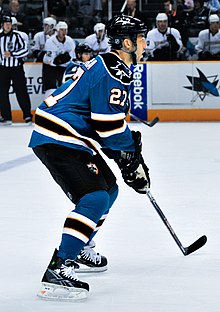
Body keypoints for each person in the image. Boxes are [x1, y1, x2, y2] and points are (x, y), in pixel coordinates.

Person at [28, 14, 150, 301]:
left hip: (73, 134)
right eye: (142, 39)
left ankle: (81, 245)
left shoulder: (115, 66)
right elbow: (107, 127)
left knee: (110, 189)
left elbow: (103, 124)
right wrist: (130, 152)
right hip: (58, 136)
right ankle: (58, 268)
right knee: (94, 197)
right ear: (127, 43)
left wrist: (127, 157)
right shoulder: (113, 72)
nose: (146, 45)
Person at [0, 15, 32, 125]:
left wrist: (13, 54)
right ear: (2, 25)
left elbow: (25, 50)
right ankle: (6, 117)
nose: (8, 26)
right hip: (3, 68)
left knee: (21, 91)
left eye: (9, 24)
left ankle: (27, 115)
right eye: (6, 24)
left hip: (16, 68)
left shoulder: (17, 36)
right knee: (2, 93)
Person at [42, 21, 76, 98]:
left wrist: (62, 58)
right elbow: (52, 61)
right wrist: (63, 58)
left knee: (66, 88)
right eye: (61, 30)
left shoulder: (70, 41)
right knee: (51, 89)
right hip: (50, 67)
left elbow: (71, 58)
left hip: (64, 68)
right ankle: (47, 108)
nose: (63, 32)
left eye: (65, 30)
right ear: (57, 30)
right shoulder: (50, 41)